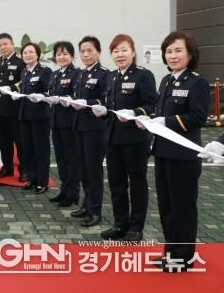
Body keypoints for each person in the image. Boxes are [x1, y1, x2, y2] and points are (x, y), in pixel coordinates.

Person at [141, 31, 209, 272]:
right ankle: (171, 253)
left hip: (184, 155)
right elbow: (160, 111)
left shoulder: (197, 82)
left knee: (183, 208)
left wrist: (165, 122)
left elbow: (198, 117)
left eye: (178, 50)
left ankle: (183, 257)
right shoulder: (166, 80)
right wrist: (148, 119)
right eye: (168, 51)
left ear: (190, 54)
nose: (172, 55)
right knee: (167, 206)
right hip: (163, 152)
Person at [91, 34, 157, 242]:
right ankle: (120, 224)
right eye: (116, 51)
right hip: (112, 138)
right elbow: (110, 103)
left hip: (135, 139)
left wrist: (135, 112)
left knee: (137, 183)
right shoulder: (111, 76)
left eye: (124, 50)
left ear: (133, 52)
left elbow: (152, 105)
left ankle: (136, 227)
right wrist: (103, 110)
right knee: (116, 183)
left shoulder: (143, 75)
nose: (120, 55)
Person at [67, 36, 109, 227]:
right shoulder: (81, 74)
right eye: (82, 51)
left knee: (93, 170)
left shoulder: (104, 74)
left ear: (98, 52)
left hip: (95, 128)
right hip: (79, 126)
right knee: (83, 169)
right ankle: (86, 204)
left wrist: (88, 103)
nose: (85, 54)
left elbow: (106, 100)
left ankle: (95, 211)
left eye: (89, 50)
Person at [45, 41, 81, 207]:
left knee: (71, 158)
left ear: (72, 56)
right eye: (58, 54)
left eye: (65, 54)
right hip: (56, 121)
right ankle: (64, 189)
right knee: (60, 157)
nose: (62, 57)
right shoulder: (54, 74)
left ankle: (73, 192)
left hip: (69, 122)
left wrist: (66, 99)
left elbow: (77, 95)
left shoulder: (77, 74)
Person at [0, 33, 26, 180]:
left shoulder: (20, 62)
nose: (3, 47)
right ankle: (7, 167)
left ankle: (24, 170)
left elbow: (24, 81)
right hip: (2, 108)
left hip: (16, 108)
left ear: (12, 44)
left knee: (20, 141)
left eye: (5, 44)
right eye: (0, 45)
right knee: (4, 141)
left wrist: (13, 88)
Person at [15, 42, 51, 194]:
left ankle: (42, 182)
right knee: (28, 149)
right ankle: (32, 179)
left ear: (37, 55)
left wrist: (41, 96)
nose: (28, 55)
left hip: (39, 116)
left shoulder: (45, 71)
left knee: (40, 150)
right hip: (25, 115)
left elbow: (50, 91)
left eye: (31, 52)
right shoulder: (24, 72)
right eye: (25, 53)